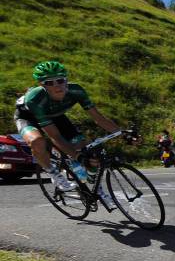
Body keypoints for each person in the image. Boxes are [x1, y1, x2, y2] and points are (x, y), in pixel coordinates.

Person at [14, 61, 120, 206]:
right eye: (49, 82)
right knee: (37, 141)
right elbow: (55, 136)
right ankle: (53, 173)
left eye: (60, 80)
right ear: (42, 85)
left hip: (55, 116)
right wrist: (77, 156)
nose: (57, 85)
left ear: (66, 80)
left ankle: (95, 187)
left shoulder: (76, 91)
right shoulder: (35, 98)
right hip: (28, 118)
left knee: (85, 148)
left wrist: (122, 133)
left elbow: (98, 118)